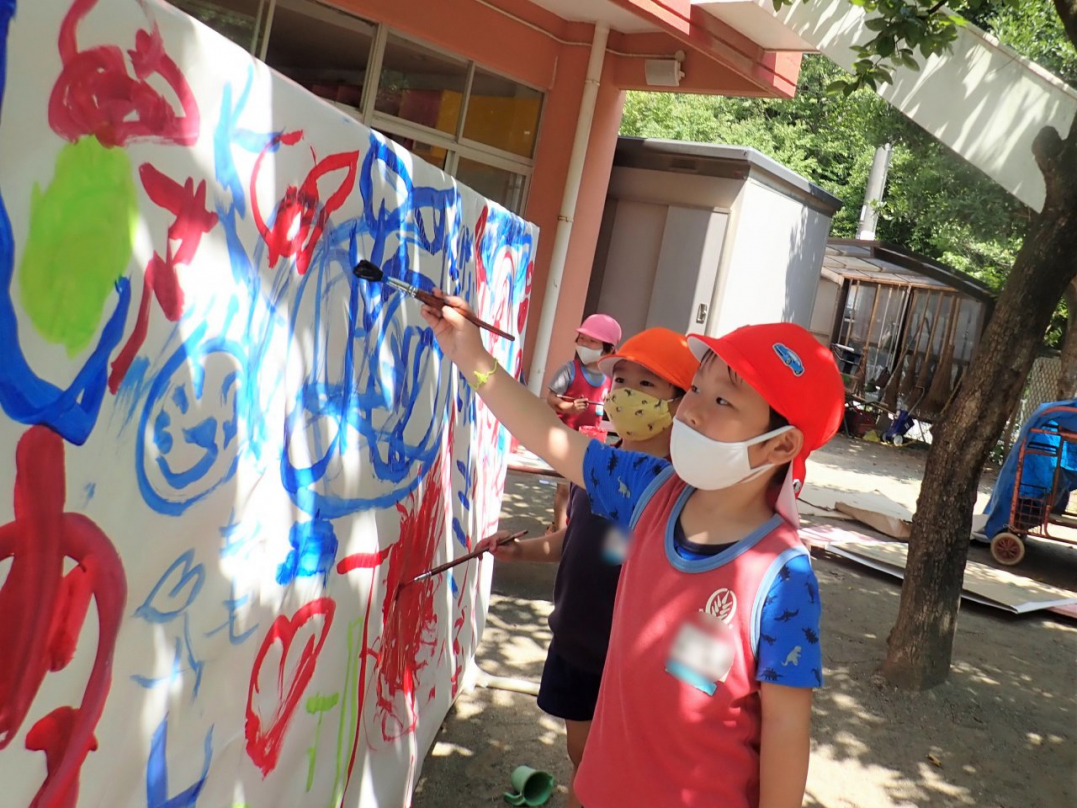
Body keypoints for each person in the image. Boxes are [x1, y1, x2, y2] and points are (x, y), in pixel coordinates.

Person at [421, 292, 844, 808]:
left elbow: (785, 725)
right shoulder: (650, 489)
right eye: (696, 388)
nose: (690, 410)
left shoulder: (783, 576)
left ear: (780, 446)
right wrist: (469, 354)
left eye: (722, 401)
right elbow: (549, 436)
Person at [477, 328, 699, 808]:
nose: (627, 393)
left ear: (681, 403)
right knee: (582, 757)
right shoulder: (597, 465)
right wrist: (523, 551)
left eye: (646, 384)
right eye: (621, 380)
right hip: (574, 643)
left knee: (614, 769)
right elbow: (576, 540)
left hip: (626, 660)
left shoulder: (678, 490)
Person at [544, 313, 621, 532]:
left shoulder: (611, 379)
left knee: (584, 490)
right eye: (582, 339)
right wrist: (567, 407)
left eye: (592, 341)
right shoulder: (569, 370)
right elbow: (551, 399)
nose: (584, 344)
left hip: (592, 444)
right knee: (563, 489)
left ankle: (572, 529)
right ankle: (559, 531)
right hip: (565, 440)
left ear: (608, 349)